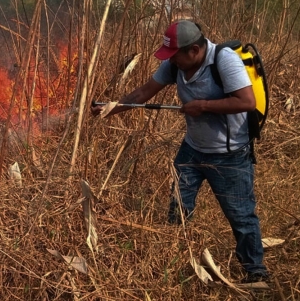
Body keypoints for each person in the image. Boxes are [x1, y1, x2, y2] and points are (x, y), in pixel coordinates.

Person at [91, 20, 269, 283]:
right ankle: (172, 258)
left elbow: (246, 101)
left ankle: (256, 273)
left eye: (175, 57)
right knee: (178, 205)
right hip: (192, 150)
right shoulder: (174, 64)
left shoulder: (224, 61)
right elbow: (143, 93)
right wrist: (109, 109)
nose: (171, 62)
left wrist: (204, 106)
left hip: (229, 156)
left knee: (241, 216)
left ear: (194, 50)